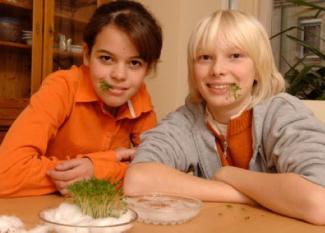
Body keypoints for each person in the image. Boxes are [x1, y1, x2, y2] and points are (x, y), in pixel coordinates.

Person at [124, 10, 325, 225]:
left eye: (235, 56)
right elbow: (138, 180)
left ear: (258, 67)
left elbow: (319, 202)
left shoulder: (283, 113)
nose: (217, 69)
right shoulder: (186, 120)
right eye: (205, 57)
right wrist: (246, 195)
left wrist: (229, 174)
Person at [0, 0, 162, 197]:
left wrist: (96, 170)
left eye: (134, 63)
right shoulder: (62, 87)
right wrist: (105, 160)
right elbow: (6, 174)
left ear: (148, 68)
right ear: (86, 55)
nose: (119, 75)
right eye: (106, 58)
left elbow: (155, 174)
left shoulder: (139, 98)